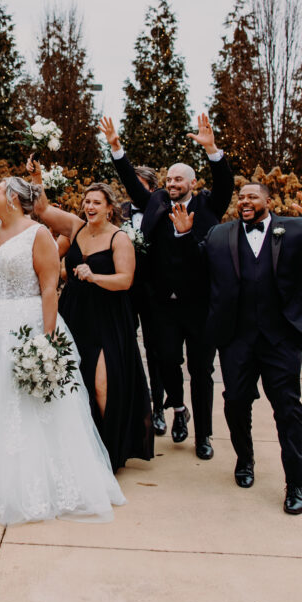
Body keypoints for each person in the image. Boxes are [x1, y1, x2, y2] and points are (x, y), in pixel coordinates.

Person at [0, 178, 127, 525]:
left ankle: (29, 486)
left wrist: (47, 341)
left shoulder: (38, 234)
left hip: (22, 324)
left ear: (13, 197)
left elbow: (48, 288)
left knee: (23, 406)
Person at [171, 185, 302, 514]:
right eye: (241, 197)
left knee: (288, 410)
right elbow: (194, 269)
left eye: (252, 197)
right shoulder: (219, 234)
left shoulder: (296, 228)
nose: (244, 201)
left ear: (268, 201)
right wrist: (184, 236)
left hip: (281, 338)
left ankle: (295, 483)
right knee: (235, 402)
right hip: (236, 338)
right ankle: (244, 460)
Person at [102, 113, 234, 460]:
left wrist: (213, 150)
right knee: (166, 360)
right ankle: (178, 407)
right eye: (169, 179)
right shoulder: (157, 202)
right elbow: (130, 182)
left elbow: (225, 182)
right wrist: (116, 147)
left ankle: (203, 436)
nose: (172, 183)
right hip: (163, 303)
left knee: (201, 371)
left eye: (178, 179)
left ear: (192, 182)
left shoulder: (209, 204)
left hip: (199, 304)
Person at [29, 163, 153, 472]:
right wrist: (36, 178)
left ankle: (109, 451)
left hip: (108, 317)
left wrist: (94, 276)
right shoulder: (76, 227)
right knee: (72, 380)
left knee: (101, 384)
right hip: (74, 313)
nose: (90, 206)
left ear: (110, 208)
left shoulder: (119, 239)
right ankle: (78, 448)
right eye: (87, 201)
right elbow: (42, 209)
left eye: (97, 202)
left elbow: (125, 280)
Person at [119, 165, 166, 436]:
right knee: (125, 343)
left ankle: (158, 407)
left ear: (151, 188)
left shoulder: (160, 208)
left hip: (154, 291)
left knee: (155, 349)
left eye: (139, 185)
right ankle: (135, 401)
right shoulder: (120, 211)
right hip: (125, 289)